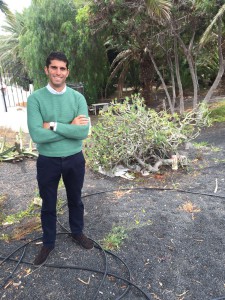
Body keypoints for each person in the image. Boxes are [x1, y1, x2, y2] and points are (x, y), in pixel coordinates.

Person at [27, 51, 93, 266]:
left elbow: (82, 133)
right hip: (48, 160)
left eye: (62, 68)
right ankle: (48, 242)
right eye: (54, 67)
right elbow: (37, 135)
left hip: (74, 158)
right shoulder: (35, 98)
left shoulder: (78, 98)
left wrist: (53, 125)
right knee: (49, 203)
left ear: (67, 71)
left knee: (75, 199)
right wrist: (69, 127)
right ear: (47, 70)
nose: (58, 72)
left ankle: (77, 232)